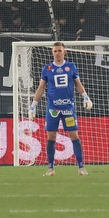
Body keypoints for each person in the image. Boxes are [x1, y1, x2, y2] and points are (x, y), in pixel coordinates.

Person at [30, 41, 93, 176]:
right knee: (51, 136)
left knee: (74, 135)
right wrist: (33, 105)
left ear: (64, 52)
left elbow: (78, 84)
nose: (57, 53)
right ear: (52, 53)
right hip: (53, 109)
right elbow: (41, 88)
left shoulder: (71, 67)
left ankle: (81, 167)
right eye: (55, 51)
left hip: (68, 108)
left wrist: (86, 97)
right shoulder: (47, 69)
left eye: (59, 51)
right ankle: (51, 168)